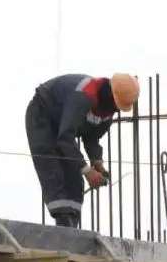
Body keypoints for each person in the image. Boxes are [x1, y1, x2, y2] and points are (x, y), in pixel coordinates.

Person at [26, 73, 139, 228]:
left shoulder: (108, 110)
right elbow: (65, 138)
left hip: (61, 124)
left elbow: (92, 137)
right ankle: (64, 222)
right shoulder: (84, 95)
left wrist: (97, 162)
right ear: (111, 96)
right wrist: (87, 170)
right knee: (54, 170)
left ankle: (70, 225)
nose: (115, 110)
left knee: (74, 178)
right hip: (43, 113)